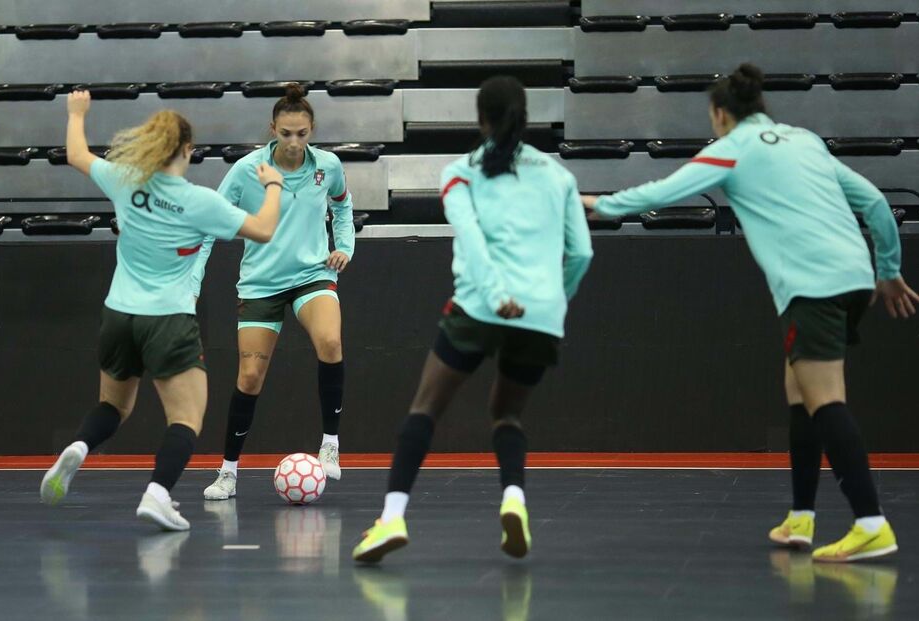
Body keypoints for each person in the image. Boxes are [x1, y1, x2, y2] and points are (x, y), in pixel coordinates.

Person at [584, 63, 919, 562]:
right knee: (799, 390)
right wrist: (888, 269)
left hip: (813, 286)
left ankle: (871, 524)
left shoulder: (731, 150)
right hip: (853, 278)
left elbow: (661, 193)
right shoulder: (804, 141)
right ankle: (801, 519)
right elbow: (873, 202)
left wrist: (600, 205)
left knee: (826, 400)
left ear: (720, 115)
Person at [352, 76, 593, 563]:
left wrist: (499, 294)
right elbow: (582, 253)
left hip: (481, 307)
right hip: (540, 317)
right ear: (525, 116)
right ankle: (514, 500)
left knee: (425, 408)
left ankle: (392, 517)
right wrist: (552, 302)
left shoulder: (461, 171)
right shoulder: (559, 176)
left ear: (480, 119)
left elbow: (473, 240)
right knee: (506, 413)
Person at [39, 91, 285, 531]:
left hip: (118, 316)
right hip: (169, 320)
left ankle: (78, 446)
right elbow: (264, 230)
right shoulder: (199, 201)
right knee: (186, 417)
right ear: (188, 150)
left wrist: (77, 112)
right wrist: (273, 185)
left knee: (112, 407)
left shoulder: (125, 179)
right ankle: (158, 493)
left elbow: (76, 153)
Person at [194, 83, 355, 500]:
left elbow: (342, 204)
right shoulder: (248, 170)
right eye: (286, 134)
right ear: (273, 129)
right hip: (261, 283)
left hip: (312, 275)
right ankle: (228, 472)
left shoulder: (328, 166)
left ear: (312, 129)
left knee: (331, 341)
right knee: (249, 377)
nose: (294, 142)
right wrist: (194, 276)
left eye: (302, 133)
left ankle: (331, 445)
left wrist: (344, 246)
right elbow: (212, 222)